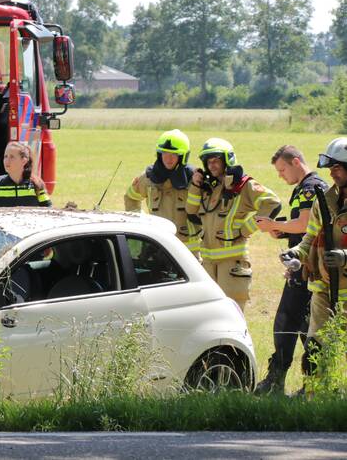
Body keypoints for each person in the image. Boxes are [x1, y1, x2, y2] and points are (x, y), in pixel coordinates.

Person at [252, 145, 326, 395]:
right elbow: (308, 227)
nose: (281, 176)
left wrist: (274, 223)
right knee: (304, 325)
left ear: (296, 162)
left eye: (282, 169)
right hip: (307, 265)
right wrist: (282, 230)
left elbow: (305, 223)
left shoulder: (309, 188)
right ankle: (313, 383)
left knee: (288, 321)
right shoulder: (309, 187)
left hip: (308, 268)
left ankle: (279, 381)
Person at [187, 137, 280, 311]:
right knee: (209, 314)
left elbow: (272, 203)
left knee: (232, 314)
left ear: (227, 160)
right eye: (209, 161)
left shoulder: (244, 185)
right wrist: (195, 185)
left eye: (216, 160)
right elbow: (191, 211)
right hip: (208, 263)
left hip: (232, 264)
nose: (212, 165)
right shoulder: (209, 186)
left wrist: (246, 229)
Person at [286, 137, 347, 390]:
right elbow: (310, 237)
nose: (332, 173)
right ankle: (315, 398)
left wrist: (344, 257)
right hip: (324, 290)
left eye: (338, 168)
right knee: (315, 349)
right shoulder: (324, 200)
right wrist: (295, 254)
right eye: (330, 168)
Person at [124, 129, 199, 255]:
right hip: (159, 248)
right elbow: (131, 198)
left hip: (188, 251)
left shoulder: (194, 179)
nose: (168, 159)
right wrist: (141, 222)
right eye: (165, 153)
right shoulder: (147, 178)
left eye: (174, 155)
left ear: (182, 156)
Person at [0, 142, 51, 208]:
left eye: (12, 157)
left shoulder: (36, 183)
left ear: (24, 161)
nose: (7, 160)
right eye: (5, 156)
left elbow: (48, 209)